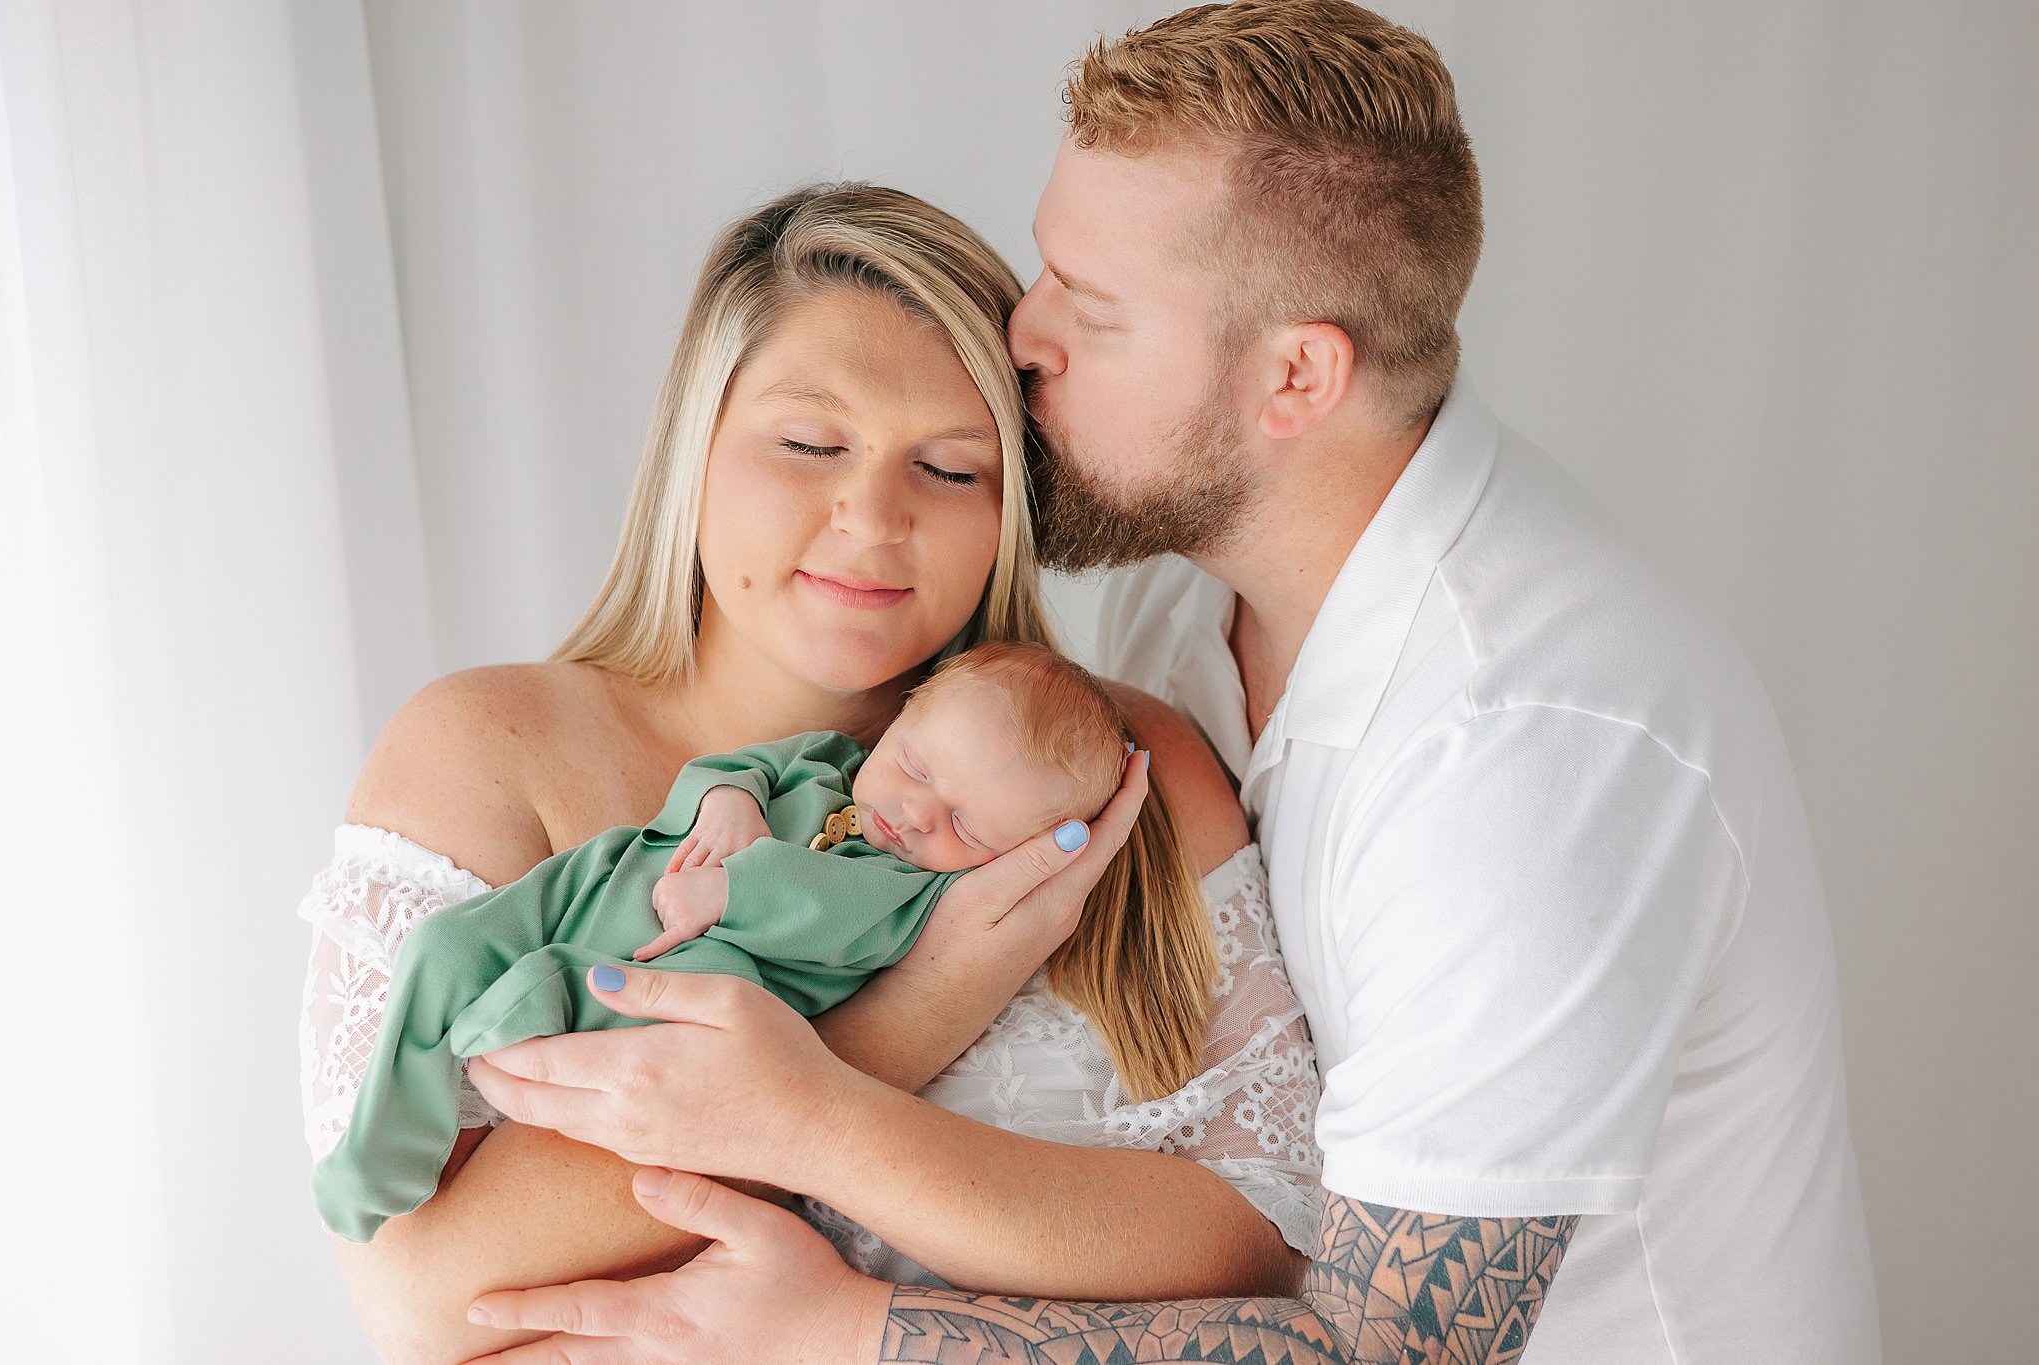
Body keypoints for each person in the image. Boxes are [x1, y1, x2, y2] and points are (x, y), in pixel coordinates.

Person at [450, 3, 1883, 1362]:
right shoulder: (1171, 602)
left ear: (1297, 381)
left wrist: (847, 1329)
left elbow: (1387, 1351)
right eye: (1044, 265)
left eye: (1093, 303)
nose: (1021, 335)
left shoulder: (1524, 747)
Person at [294, 183, 1323, 1361]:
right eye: (810, 443)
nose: (872, 514)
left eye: (949, 469)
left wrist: (849, 1301)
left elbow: (1266, 1238)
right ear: (696, 447)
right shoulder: (489, 752)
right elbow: (425, 1302)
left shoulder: (1110, 771)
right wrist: (902, 1016)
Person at [311, 641, 1212, 1246]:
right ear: (901, 718)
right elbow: (741, 766)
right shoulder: (829, 759)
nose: (913, 813)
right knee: (441, 947)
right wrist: (728, 801)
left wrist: (730, 889)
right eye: (918, 766)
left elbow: (833, 913)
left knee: (569, 1007)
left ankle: (529, 1012)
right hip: (599, 881)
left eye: (968, 829)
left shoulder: (916, 890)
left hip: (687, 963)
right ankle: (382, 1144)